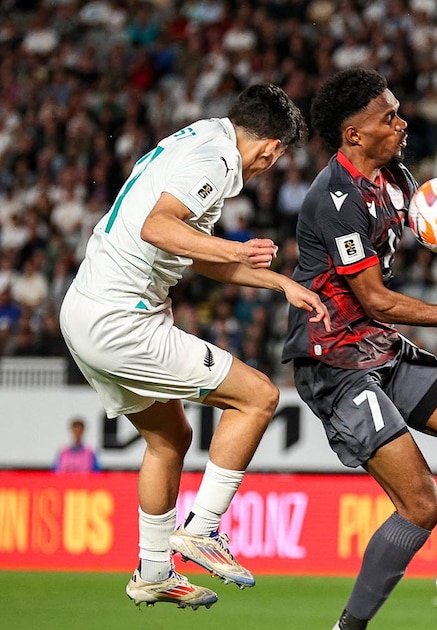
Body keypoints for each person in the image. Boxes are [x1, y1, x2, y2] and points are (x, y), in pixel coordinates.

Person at [59, 84, 324, 609]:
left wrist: (278, 283)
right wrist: (235, 247)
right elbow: (158, 228)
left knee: (169, 438)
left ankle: (154, 571)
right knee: (258, 397)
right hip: (122, 319)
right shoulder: (216, 160)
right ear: (272, 149)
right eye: (278, 157)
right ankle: (203, 529)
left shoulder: (195, 139)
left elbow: (192, 253)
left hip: (85, 309)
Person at [282, 69, 437, 630]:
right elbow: (376, 300)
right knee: (420, 507)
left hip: (382, 349)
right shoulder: (334, 198)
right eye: (388, 117)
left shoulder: (395, 176)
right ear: (354, 135)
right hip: (335, 364)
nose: (402, 122)